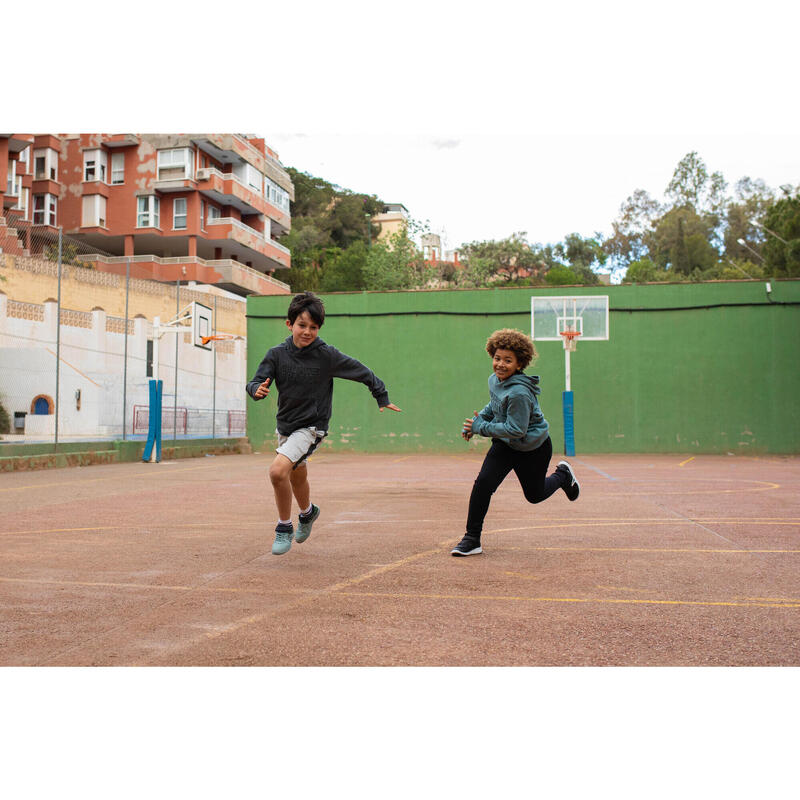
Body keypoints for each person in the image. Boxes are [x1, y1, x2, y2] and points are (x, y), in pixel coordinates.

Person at [246, 291, 401, 555]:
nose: (307, 332)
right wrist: (255, 390)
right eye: (302, 325)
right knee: (297, 474)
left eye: (314, 327)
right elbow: (255, 381)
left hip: (311, 427)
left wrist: (381, 395)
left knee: (277, 471)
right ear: (289, 324)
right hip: (285, 425)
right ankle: (308, 513)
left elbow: (363, 372)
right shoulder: (276, 355)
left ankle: (284, 526)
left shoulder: (326, 356)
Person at [452, 328, 579, 557]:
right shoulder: (495, 380)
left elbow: (516, 429)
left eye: (507, 360)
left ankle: (563, 476)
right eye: (497, 358)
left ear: (519, 364)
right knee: (483, 485)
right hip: (505, 445)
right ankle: (472, 539)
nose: (500, 364)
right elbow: (494, 405)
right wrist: (478, 421)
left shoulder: (520, 392)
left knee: (535, 495)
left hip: (533, 448)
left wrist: (480, 428)